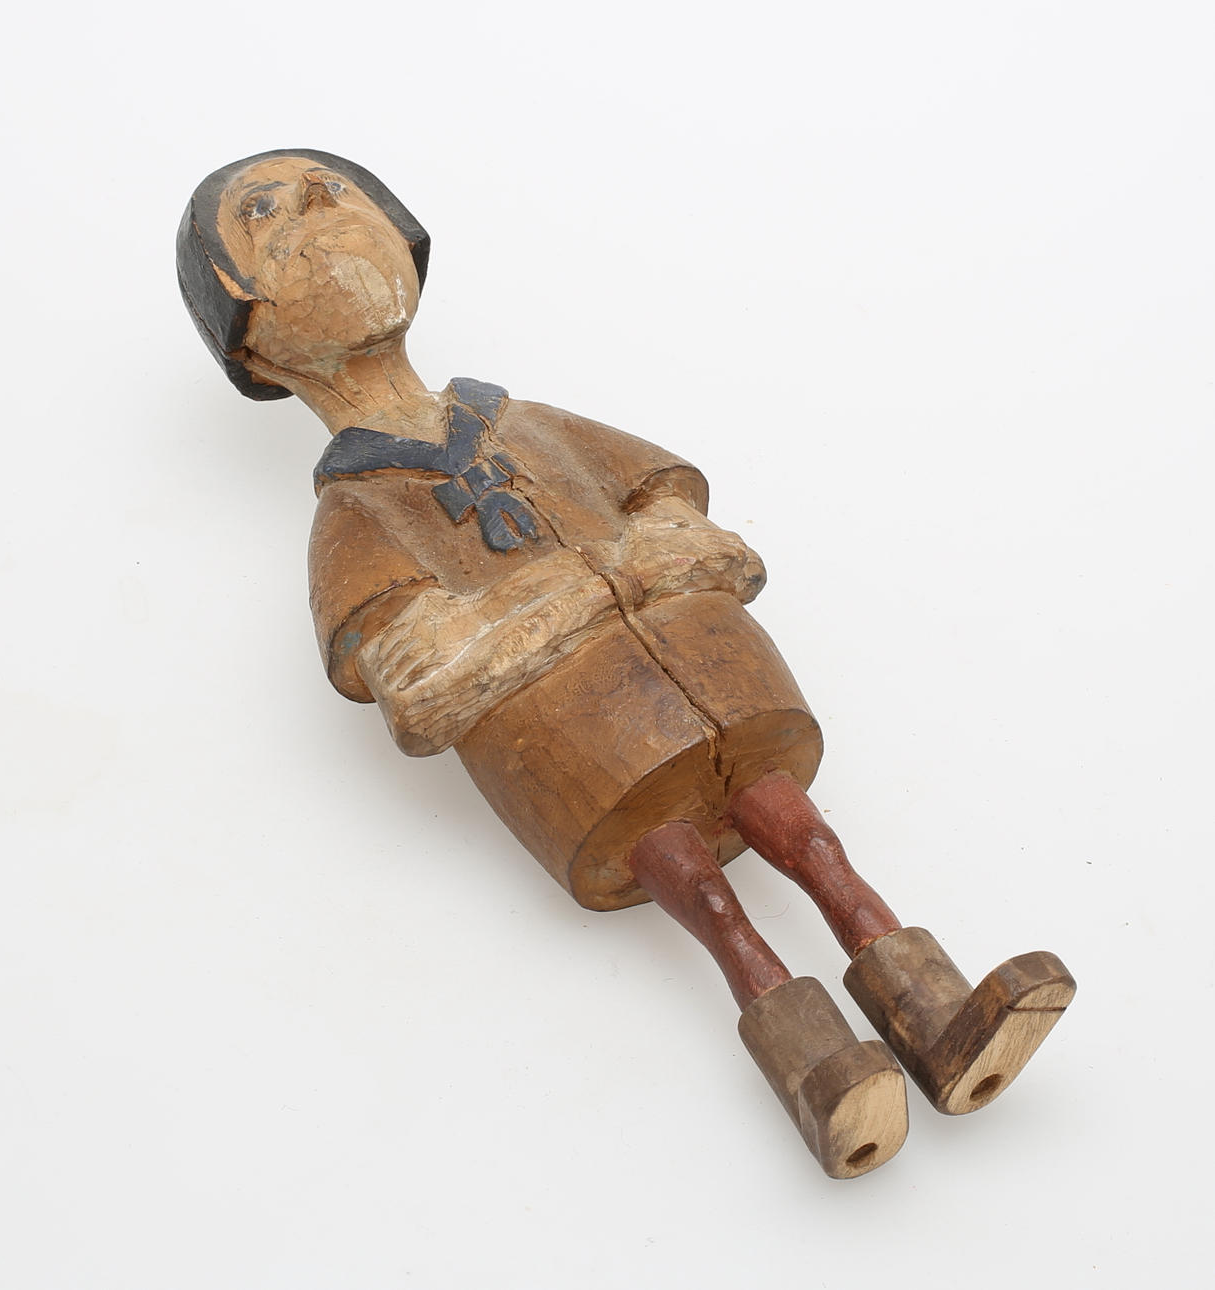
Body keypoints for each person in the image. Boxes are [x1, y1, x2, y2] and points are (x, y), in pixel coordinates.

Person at [177, 151, 1074, 1178]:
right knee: (705, 898)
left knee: (812, 841)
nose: (319, 207)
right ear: (249, 338)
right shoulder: (355, 516)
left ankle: (941, 1018)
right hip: (578, 755)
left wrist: (574, 589)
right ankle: (820, 1070)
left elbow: (683, 515)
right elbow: (419, 684)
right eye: (267, 212)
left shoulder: (527, 422)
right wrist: (603, 578)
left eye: (337, 190)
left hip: (726, 682)